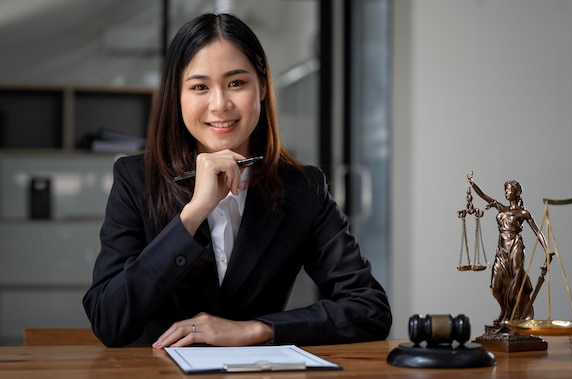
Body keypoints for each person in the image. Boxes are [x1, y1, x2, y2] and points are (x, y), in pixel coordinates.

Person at [82, 12, 392, 348]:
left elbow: (369, 309)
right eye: (200, 86)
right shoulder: (135, 179)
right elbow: (109, 320)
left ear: (261, 87)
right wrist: (193, 214)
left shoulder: (304, 188)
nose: (220, 104)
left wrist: (259, 329)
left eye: (236, 83)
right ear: (177, 97)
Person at [468, 174, 550, 326]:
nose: (506, 192)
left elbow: (537, 232)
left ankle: (512, 315)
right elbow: (483, 195)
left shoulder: (523, 213)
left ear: (516, 192)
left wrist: (547, 250)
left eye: (509, 190)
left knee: (515, 281)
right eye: (505, 190)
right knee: (496, 286)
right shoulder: (501, 207)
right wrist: (472, 184)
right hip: (501, 250)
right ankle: (504, 310)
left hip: (515, 247)